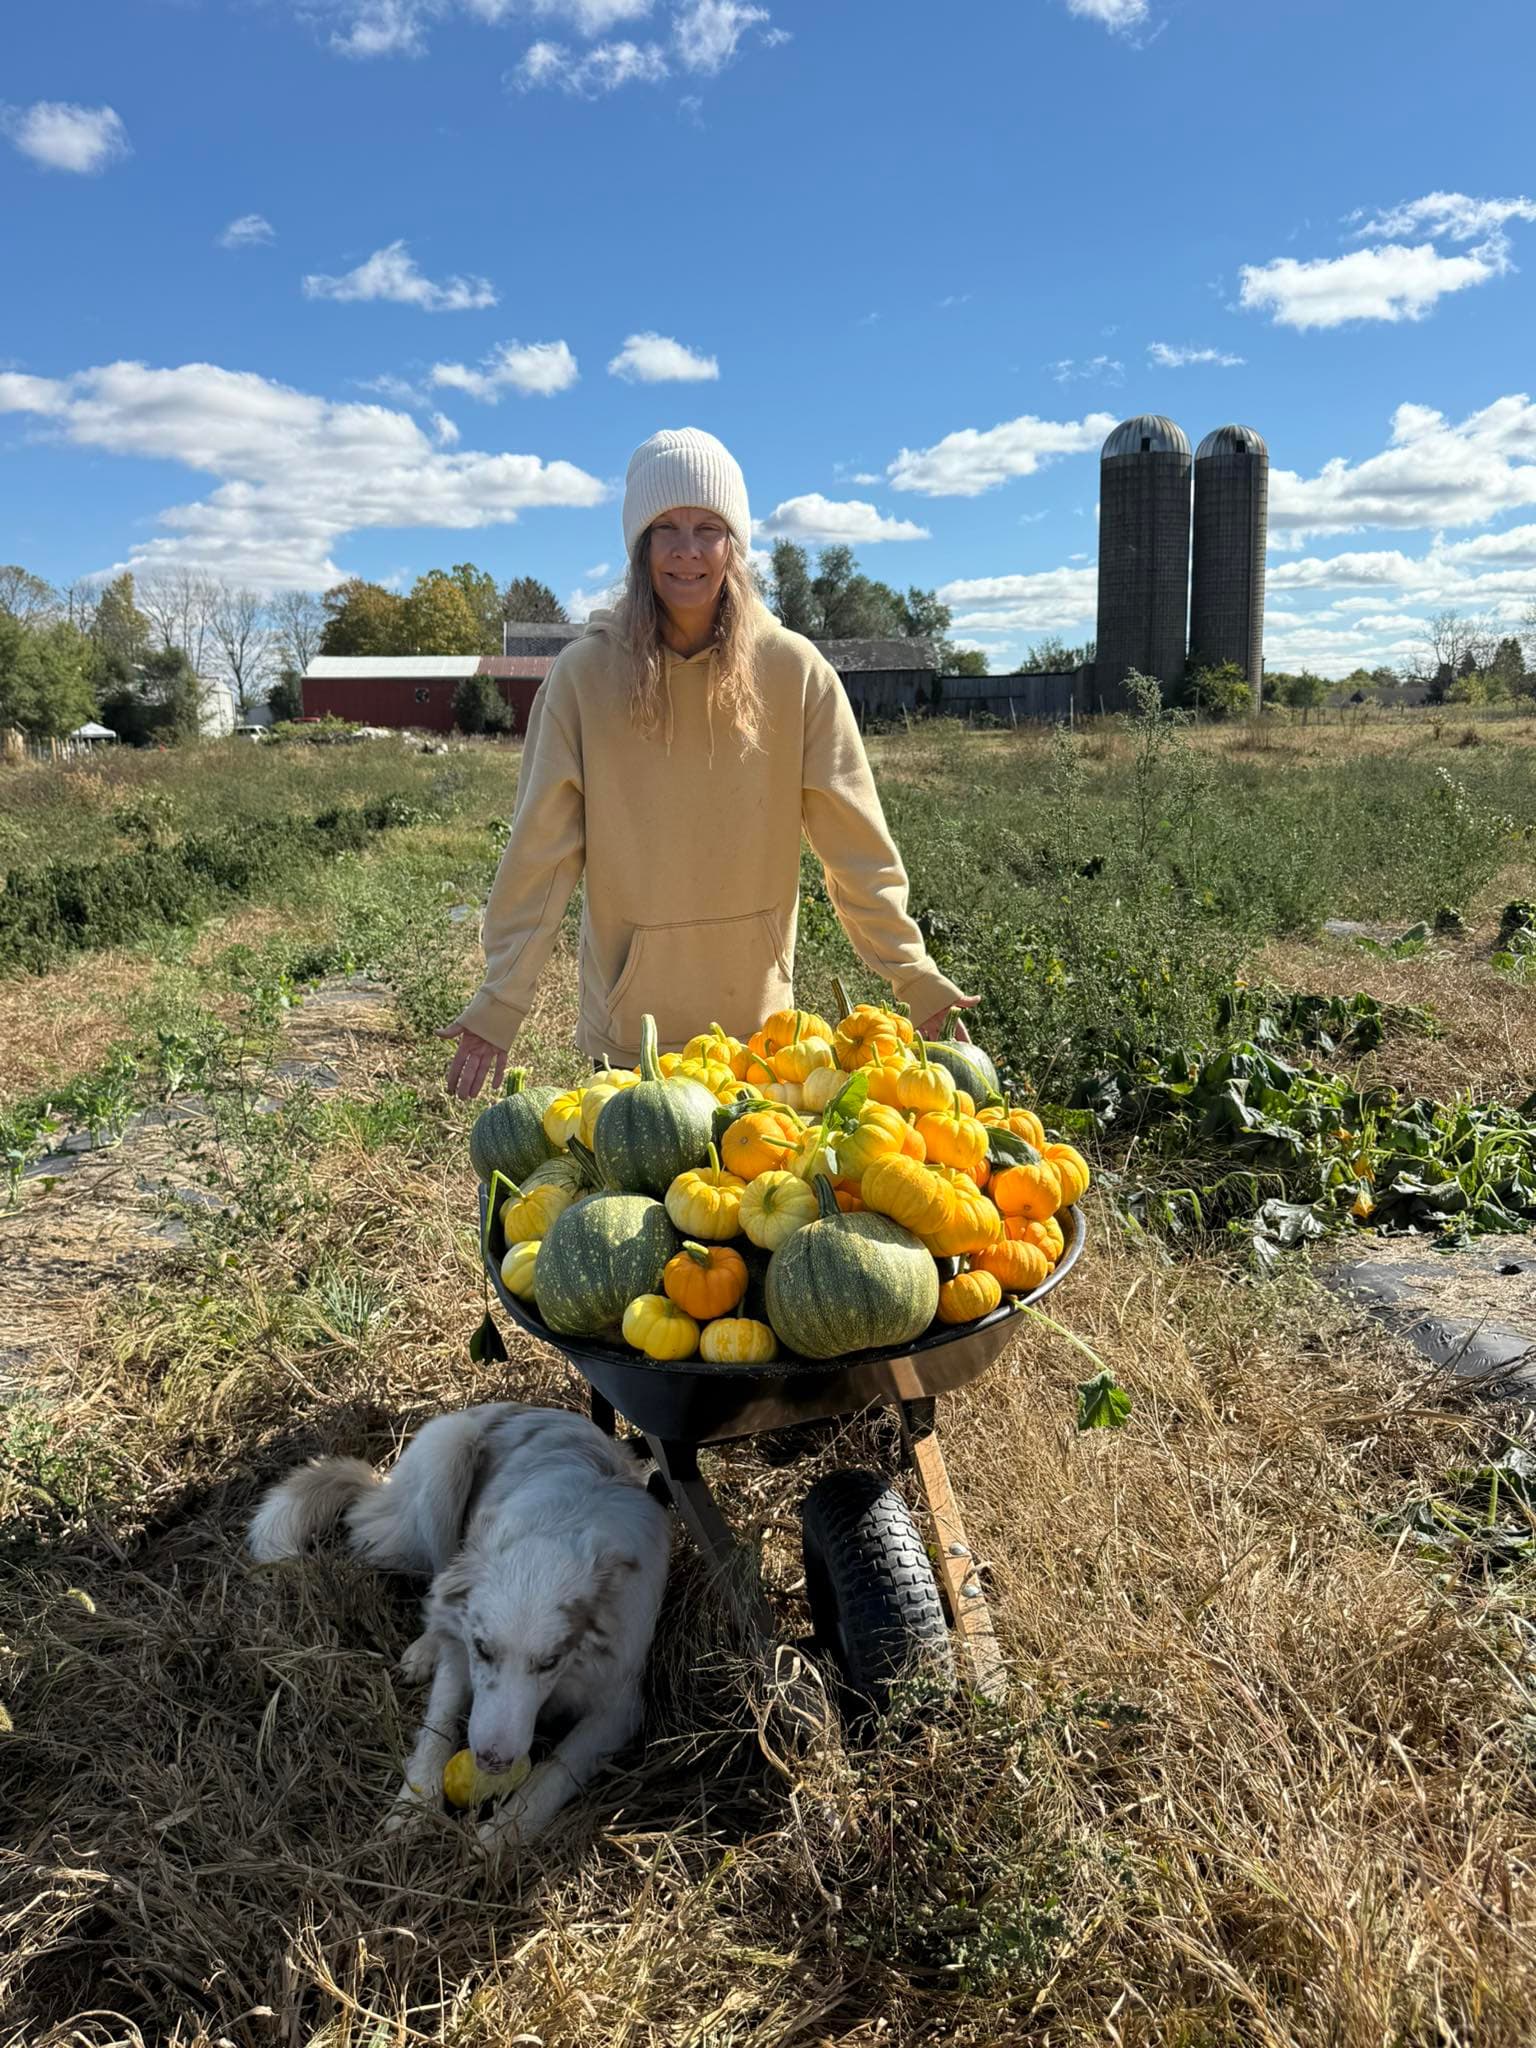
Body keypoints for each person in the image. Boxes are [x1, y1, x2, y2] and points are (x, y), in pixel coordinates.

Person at [441, 426, 977, 1100]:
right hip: (630, 1042)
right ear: (640, 546)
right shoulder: (584, 678)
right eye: (666, 528)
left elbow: (856, 848)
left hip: (760, 1040)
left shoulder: (794, 672)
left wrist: (914, 977)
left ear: (735, 544)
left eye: (708, 528)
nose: (687, 551)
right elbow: (541, 856)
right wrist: (500, 1002)